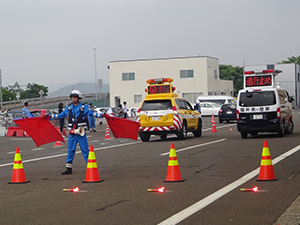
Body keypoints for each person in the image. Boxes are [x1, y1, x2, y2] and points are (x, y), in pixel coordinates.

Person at [50, 90, 105, 175]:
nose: (73, 99)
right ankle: (68, 168)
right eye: (72, 97)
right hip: (72, 133)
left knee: (85, 150)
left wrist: (102, 115)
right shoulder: (68, 108)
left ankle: (90, 166)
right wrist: (49, 117)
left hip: (81, 132)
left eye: (75, 97)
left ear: (78, 98)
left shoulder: (84, 107)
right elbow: (60, 116)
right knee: (70, 150)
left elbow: (91, 113)